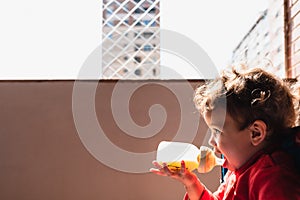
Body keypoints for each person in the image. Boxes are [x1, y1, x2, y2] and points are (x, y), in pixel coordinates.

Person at [150, 67, 300, 200]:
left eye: (217, 131)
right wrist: (192, 184)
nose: (211, 141)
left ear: (255, 133)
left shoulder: (273, 178)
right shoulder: (236, 172)